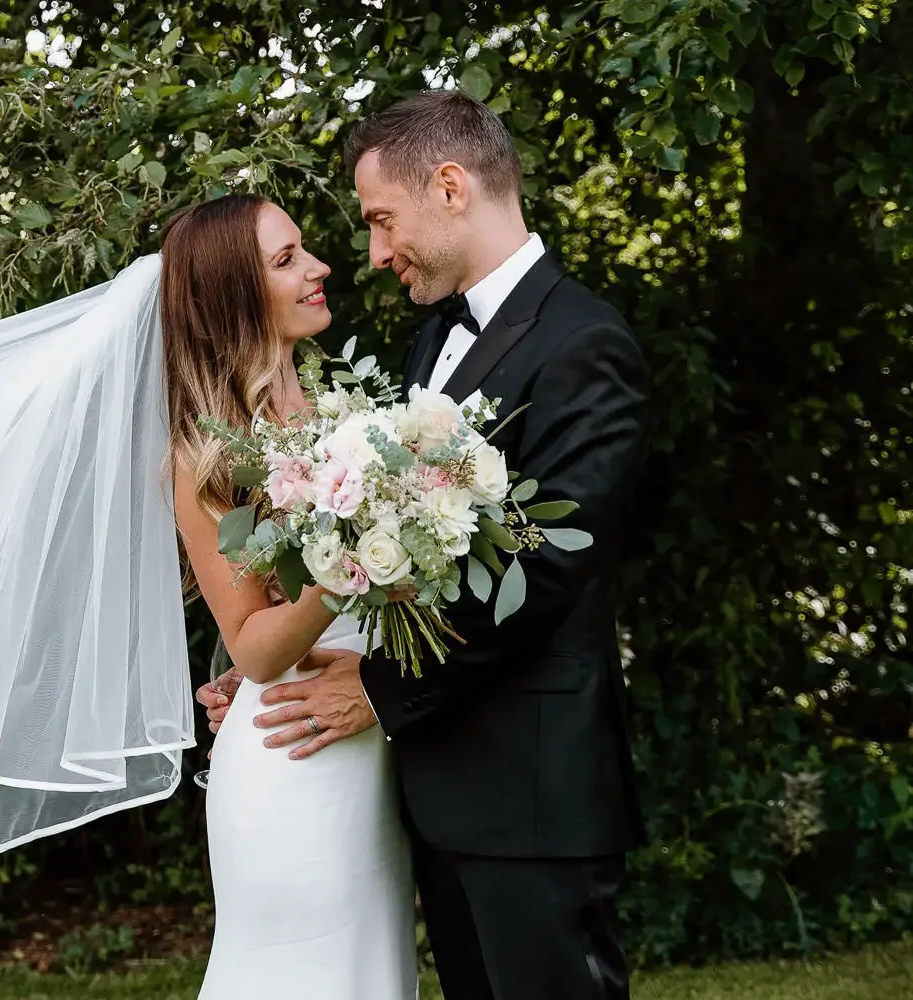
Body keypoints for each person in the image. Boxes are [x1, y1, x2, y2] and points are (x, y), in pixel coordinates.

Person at [198, 90, 652, 1000]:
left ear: (450, 186)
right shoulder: (430, 341)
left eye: (380, 220)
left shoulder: (584, 343)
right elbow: (395, 559)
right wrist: (275, 665)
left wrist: (376, 685)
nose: (372, 251)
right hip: (434, 788)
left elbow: (548, 567)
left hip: (530, 790)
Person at [160, 194, 420, 997]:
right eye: (286, 260)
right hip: (293, 760)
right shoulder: (206, 453)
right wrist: (350, 567)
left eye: (302, 251)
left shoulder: (330, 411)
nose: (319, 269)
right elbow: (256, 647)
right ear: (237, 294)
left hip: (364, 751)